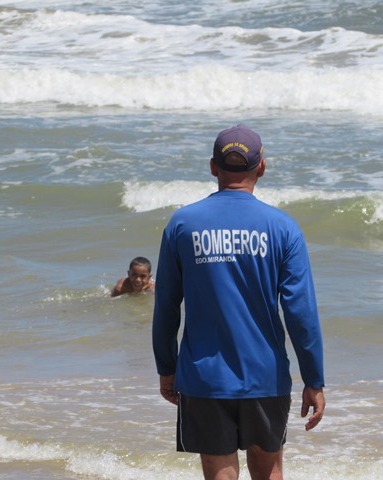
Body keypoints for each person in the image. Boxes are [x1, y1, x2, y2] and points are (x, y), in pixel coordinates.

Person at [152, 125, 325, 480]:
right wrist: (314, 379)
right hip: (265, 376)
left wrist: (166, 367)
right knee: (269, 473)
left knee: (220, 474)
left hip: (203, 377)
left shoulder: (183, 224)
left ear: (213, 167)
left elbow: (166, 305)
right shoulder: (283, 228)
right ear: (261, 167)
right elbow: (300, 312)